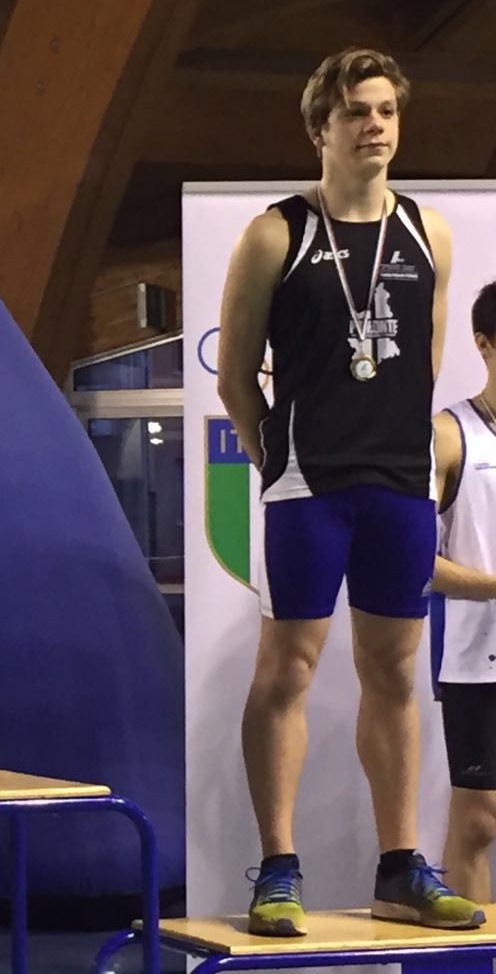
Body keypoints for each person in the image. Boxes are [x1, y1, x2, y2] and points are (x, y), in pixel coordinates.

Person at [216, 47, 479, 934]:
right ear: (319, 128)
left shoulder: (429, 233)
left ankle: (401, 868)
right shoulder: (275, 233)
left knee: (396, 673)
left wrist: (402, 454)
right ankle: (277, 868)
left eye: (386, 111)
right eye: (356, 112)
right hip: (309, 482)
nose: (375, 126)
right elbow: (236, 376)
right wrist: (277, 459)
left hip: (400, 485)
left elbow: (425, 363)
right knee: (286, 668)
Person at [430, 279, 496, 902]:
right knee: (480, 819)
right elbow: (412, 562)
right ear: (484, 344)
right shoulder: (450, 435)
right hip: (480, 661)